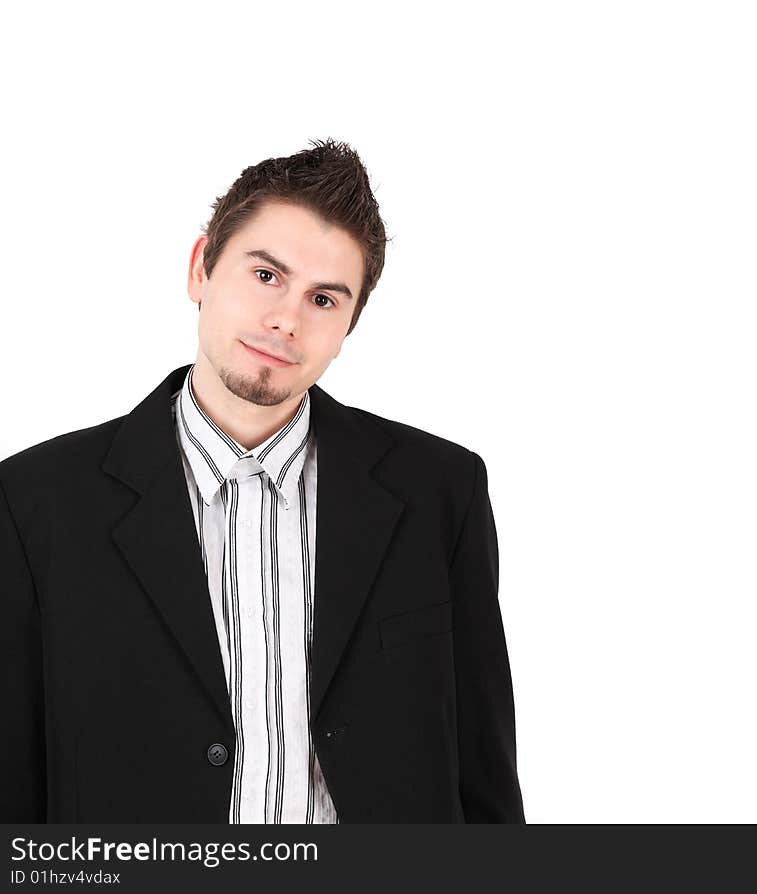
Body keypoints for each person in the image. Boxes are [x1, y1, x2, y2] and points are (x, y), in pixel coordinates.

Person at [0, 139, 526, 823]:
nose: (286, 319)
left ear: (348, 326)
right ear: (201, 269)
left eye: (325, 298)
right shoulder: (37, 502)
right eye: (267, 276)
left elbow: (484, 772)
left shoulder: (439, 491)